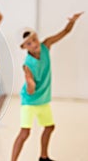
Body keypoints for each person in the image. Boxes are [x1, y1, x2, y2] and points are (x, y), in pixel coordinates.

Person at [11, 12, 83, 161]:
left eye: (34, 39)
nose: (34, 44)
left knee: (49, 127)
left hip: (43, 100)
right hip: (30, 102)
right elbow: (30, 90)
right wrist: (30, 84)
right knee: (25, 133)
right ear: (24, 47)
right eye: (29, 43)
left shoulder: (46, 45)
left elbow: (65, 32)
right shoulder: (27, 65)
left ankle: (43, 157)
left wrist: (72, 21)